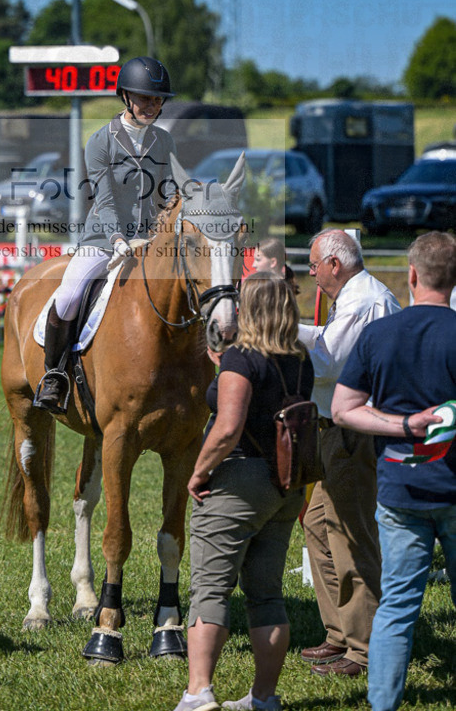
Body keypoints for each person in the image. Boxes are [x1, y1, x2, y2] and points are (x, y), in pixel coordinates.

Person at [172, 274, 314, 711]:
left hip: (237, 483)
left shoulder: (243, 358)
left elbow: (228, 428)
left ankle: (199, 692)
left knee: (210, 590)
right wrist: (226, 366)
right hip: (285, 486)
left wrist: (198, 473)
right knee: (267, 594)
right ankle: (264, 697)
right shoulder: (301, 358)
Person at [331, 231, 456, 711]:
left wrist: (403, 425)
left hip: (401, 492)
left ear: (411, 275)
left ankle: (383, 704)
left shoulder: (378, 335)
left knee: (398, 608)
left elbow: (344, 410)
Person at [33, 56, 176, 414]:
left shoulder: (164, 141)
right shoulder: (101, 142)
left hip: (152, 240)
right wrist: (118, 240)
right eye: (145, 99)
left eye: (157, 100)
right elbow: (106, 198)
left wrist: (169, 221)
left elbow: (167, 193)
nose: (152, 106)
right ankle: (54, 376)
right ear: (125, 96)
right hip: (103, 238)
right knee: (69, 295)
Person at [298, 229, 401, 677]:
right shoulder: (359, 297)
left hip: (352, 434)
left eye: (315, 264)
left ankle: (363, 649)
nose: (311, 272)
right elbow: (329, 345)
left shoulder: (363, 302)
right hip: (336, 432)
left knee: (350, 538)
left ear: (335, 265)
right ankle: (341, 632)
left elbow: (326, 360)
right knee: (320, 528)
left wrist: (280, 332)